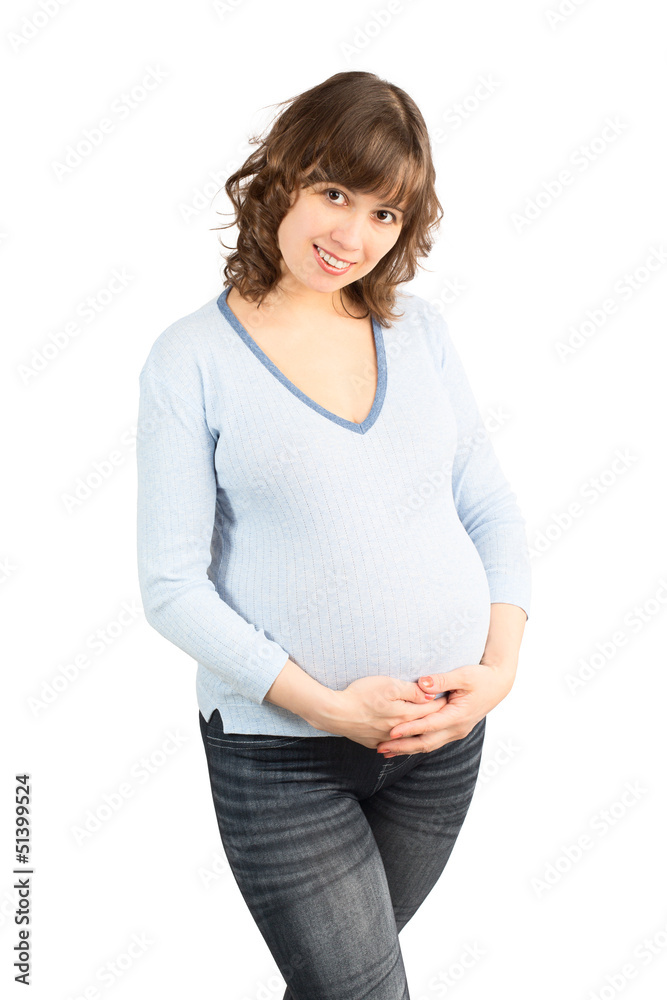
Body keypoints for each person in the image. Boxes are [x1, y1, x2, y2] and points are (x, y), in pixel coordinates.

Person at [136, 70, 531, 1000]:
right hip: (281, 757)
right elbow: (171, 588)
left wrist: (498, 674)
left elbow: (489, 506)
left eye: (386, 214)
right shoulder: (189, 359)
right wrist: (327, 707)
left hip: (439, 744)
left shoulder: (420, 331)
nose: (352, 236)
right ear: (280, 179)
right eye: (334, 193)